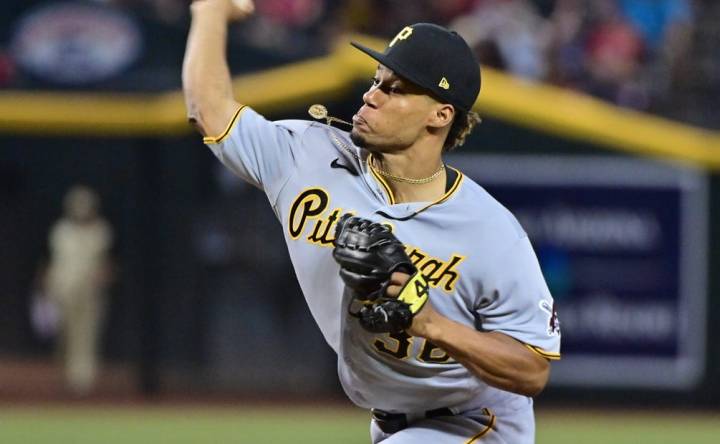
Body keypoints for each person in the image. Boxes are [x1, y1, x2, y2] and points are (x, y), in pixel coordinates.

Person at [183, 1, 560, 442]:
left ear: (441, 114)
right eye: (376, 81)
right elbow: (208, 109)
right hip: (388, 421)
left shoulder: (491, 231)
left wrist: (432, 324)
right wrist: (209, 12)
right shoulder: (308, 156)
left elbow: (532, 369)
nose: (372, 95)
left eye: (396, 89)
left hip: (476, 421)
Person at [43, 185, 113, 395]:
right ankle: (62, 378)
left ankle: (81, 383)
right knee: (62, 337)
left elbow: (105, 264)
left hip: (89, 292)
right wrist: (48, 288)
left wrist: (101, 277)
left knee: (86, 336)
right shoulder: (61, 230)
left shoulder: (101, 231)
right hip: (62, 291)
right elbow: (53, 261)